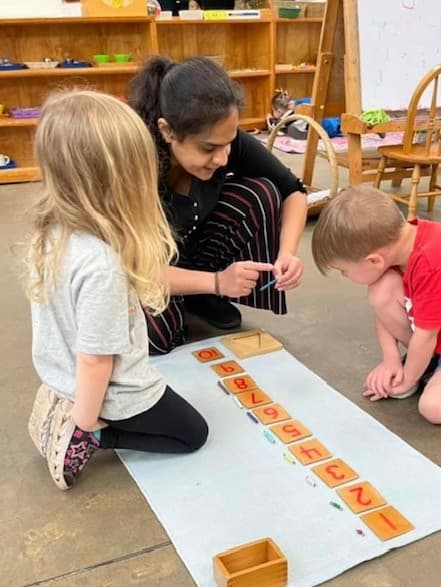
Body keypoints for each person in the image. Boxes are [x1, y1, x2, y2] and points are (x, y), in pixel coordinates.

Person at [25, 90, 209, 491]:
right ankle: (91, 436)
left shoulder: (51, 231)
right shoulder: (101, 263)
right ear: (118, 181)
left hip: (60, 372)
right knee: (193, 433)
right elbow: (96, 361)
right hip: (109, 395)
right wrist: (87, 422)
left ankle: (71, 409)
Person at [128, 56, 307, 354]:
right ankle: (198, 289)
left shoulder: (222, 137)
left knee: (261, 193)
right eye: (209, 148)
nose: (223, 158)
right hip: (142, 268)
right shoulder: (134, 160)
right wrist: (217, 281)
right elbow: (131, 267)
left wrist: (287, 253)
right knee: (155, 340)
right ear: (167, 130)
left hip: (188, 253)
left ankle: (197, 295)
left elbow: (294, 191)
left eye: (229, 143)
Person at [311, 185, 441, 425]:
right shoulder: (397, 242)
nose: (345, 276)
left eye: (343, 270)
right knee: (381, 288)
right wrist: (390, 359)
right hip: (439, 335)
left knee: (435, 408)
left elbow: (427, 335)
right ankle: (431, 365)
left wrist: (408, 379)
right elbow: (385, 310)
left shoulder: (436, 263)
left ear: (373, 259)